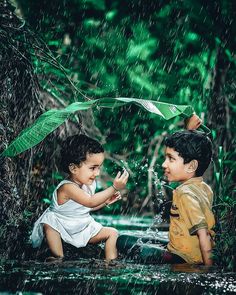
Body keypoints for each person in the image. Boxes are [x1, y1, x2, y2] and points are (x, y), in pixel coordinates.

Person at [30, 134, 129, 262]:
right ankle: (57, 257)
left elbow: (84, 208)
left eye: (99, 167)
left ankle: (110, 263)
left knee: (113, 233)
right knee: (50, 226)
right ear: (73, 168)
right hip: (61, 225)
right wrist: (114, 188)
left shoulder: (88, 184)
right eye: (93, 168)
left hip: (81, 225)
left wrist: (105, 202)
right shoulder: (67, 188)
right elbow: (90, 202)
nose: (97, 173)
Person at [162, 130, 215, 265]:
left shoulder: (184, 194)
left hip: (181, 258)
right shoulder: (205, 189)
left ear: (191, 166)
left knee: (124, 242)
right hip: (194, 254)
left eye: (171, 158)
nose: (164, 164)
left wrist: (208, 270)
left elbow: (203, 233)